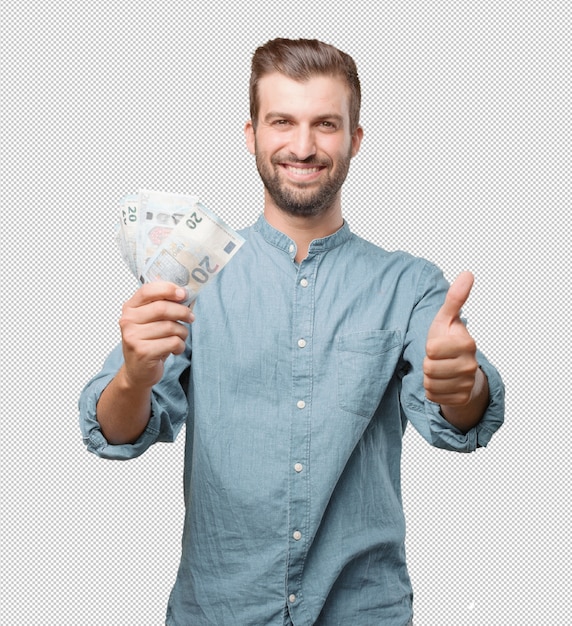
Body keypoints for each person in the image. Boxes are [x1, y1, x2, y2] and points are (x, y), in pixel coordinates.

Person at [79, 38, 505, 626]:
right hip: (217, 612)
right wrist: (134, 374)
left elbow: (460, 420)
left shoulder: (409, 285)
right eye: (282, 122)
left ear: (355, 138)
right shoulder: (193, 271)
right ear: (251, 133)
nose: (303, 147)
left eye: (325, 124)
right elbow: (116, 432)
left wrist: (464, 388)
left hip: (363, 611)